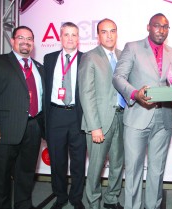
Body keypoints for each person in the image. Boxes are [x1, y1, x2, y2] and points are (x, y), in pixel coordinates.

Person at [112, 13, 172, 209]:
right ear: (148, 27)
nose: (161, 30)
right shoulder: (133, 47)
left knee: (157, 170)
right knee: (133, 170)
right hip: (137, 117)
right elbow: (118, 77)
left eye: (165, 27)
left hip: (164, 119)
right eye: (157, 26)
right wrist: (135, 93)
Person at [0, 26, 44, 209]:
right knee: (0, 177)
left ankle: (24, 205)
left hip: (33, 128)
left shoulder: (39, 67)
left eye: (29, 38)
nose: (26, 42)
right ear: (12, 41)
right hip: (4, 129)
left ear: (33, 42)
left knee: (26, 175)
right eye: (21, 38)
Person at [78, 18, 124, 209]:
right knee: (96, 167)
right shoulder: (90, 57)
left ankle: (112, 199)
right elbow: (86, 94)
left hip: (122, 118)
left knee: (117, 164)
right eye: (104, 31)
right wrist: (94, 126)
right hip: (99, 123)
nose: (109, 35)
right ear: (98, 35)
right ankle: (92, 203)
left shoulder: (123, 56)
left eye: (112, 31)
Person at [43, 22, 86, 209]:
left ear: (78, 38)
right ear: (60, 37)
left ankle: (76, 197)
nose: (70, 38)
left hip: (78, 116)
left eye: (74, 35)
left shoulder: (87, 59)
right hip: (56, 116)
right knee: (57, 161)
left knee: (78, 162)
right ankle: (60, 197)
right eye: (66, 34)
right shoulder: (49, 58)